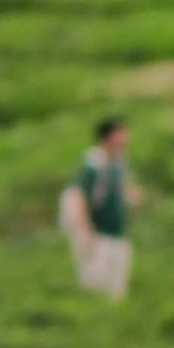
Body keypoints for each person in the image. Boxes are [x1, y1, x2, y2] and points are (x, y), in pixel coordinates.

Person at [58, 118, 135, 302]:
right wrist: (86, 232)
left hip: (117, 234)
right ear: (108, 138)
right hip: (97, 234)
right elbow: (78, 198)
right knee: (95, 288)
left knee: (116, 292)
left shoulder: (118, 164)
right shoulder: (93, 165)